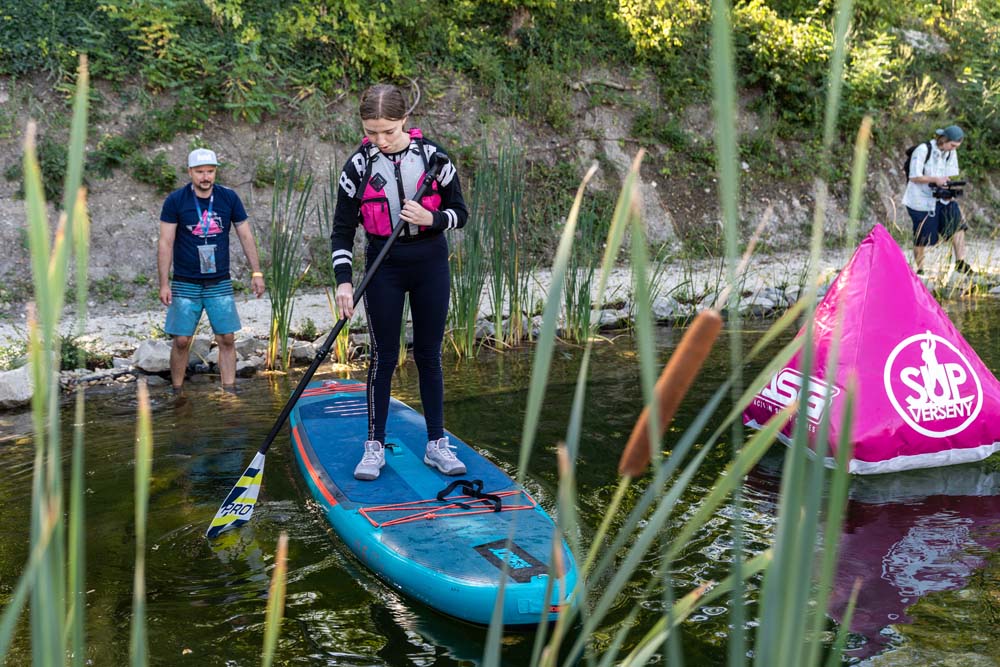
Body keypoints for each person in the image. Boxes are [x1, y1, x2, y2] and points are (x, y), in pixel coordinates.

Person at [330, 83, 469, 481]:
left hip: (430, 263)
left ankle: (436, 444)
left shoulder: (434, 158)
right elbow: (342, 231)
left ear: (405, 120)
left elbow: (461, 213)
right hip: (383, 266)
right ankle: (374, 446)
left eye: (388, 131)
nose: (380, 140)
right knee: (384, 357)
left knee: (428, 354)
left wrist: (432, 218)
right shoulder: (358, 167)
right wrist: (343, 282)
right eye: (371, 132)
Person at [157, 148, 265, 394]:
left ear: (215, 171)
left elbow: (245, 235)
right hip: (185, 281)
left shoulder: (229, 198)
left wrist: (256, 272)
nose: (205, 177)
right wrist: (164, 283)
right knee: (181, 340)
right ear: (190, 172)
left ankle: (229, 391)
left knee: (226, 338)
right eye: (200, 172)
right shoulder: (175, 200)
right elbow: (165, 242)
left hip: (219, 282)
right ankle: (177, 392)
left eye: (210, 171)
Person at [902, 124, 972, 275]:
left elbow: (947, 175)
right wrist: (935, 179)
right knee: (923, 236)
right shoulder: (923, 150)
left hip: (941, 198)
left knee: (957, 224)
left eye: (956, 146)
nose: (954, 149)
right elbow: (914, 176)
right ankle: (920, 270)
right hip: (920, 200)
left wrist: (947, 185)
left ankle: (960, 263)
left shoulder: (950, 152)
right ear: (944, 139)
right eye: (952, 145)